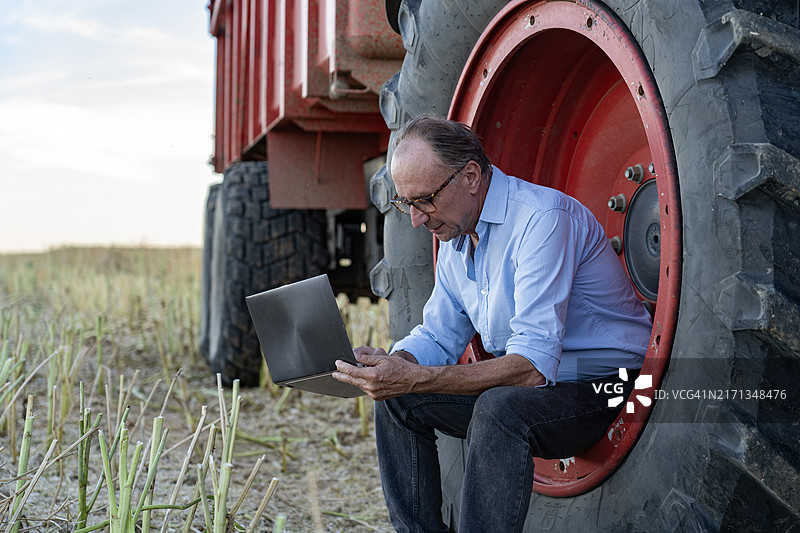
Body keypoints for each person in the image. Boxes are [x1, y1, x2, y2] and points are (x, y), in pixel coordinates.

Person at [332, 114, 652, 532]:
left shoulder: (541, 219)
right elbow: (438, 336)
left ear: (470, 176)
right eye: (406, 203)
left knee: (498, 409)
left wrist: (418, 377)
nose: (416, 219)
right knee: (397, 399)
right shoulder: (455, 236)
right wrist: (396, 365)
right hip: (546, 388)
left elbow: (531, 367)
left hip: (612, 384)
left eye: (424, 200)